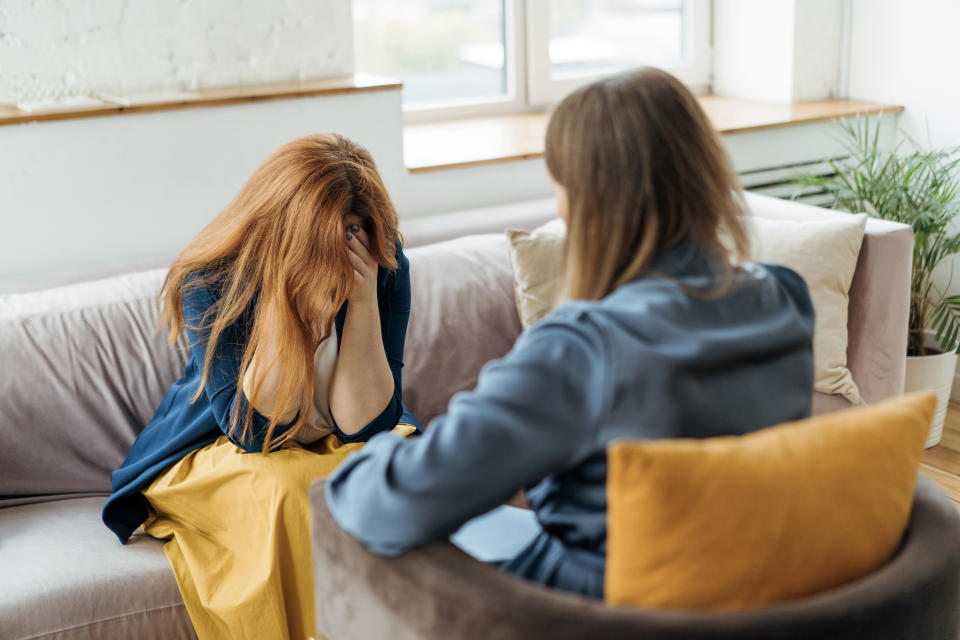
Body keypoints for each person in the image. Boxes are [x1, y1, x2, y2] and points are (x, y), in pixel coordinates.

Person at [325, 67, 815, 598]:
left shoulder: (586, 349)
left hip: (585, 612)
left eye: (561, 187)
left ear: (590, 203)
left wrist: (367, 457)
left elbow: (392, 502)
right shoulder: (785, 299)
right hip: (746, 599)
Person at [101, 133, 419, 639]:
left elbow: (369, 427)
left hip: (337, 436)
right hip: (221, 443)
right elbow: (254, 433)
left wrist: (360, 305)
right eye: (328, 239)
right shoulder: (212, 277)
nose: (345, 252)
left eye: (356, 232)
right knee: (291, 490)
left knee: (402, 472)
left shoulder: (382, 262)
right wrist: (288, 296)